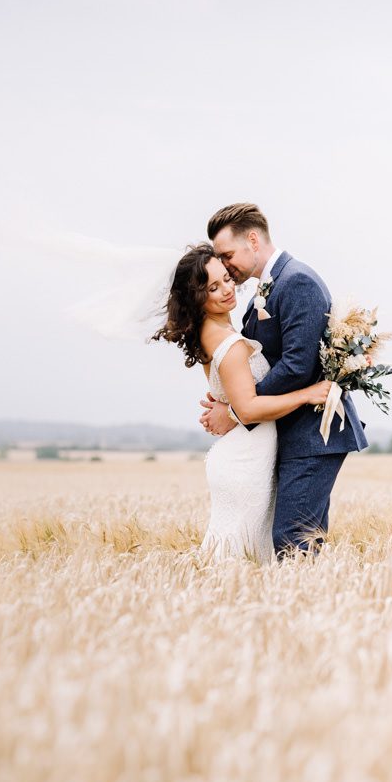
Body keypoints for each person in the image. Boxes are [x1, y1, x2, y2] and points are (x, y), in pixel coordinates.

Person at [201, 203, 368, 556]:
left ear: (252, 239)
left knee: (293, 543)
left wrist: (237, 410)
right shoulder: (269, 287)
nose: (225, 265)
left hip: (312, 435)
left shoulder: (297, 281)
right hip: (290, 432)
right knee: (295, 545)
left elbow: (297, 366)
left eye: (228, 254)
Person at [152, 244, 332, 562]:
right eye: (213, 287)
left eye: (226, 279)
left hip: (244, 453)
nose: (226, 290)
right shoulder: (230, 342)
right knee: (241, 556)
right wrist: (308, 393)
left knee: (234, 556)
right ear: (197, 297)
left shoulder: (212, 331)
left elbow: (236, 398)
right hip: (247, 460)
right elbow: (247, 409)